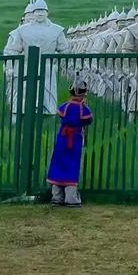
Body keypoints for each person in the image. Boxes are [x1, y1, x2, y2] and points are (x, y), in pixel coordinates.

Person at [47, 78, 93, 207]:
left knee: (58, 164)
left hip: (62, 139)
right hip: (75, 140)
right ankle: (71, 198)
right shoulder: (82, 108)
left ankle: (57, 196)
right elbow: (88, 120)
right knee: (72, 166)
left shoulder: (65, 106)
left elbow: (61, 114)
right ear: (83, 93)